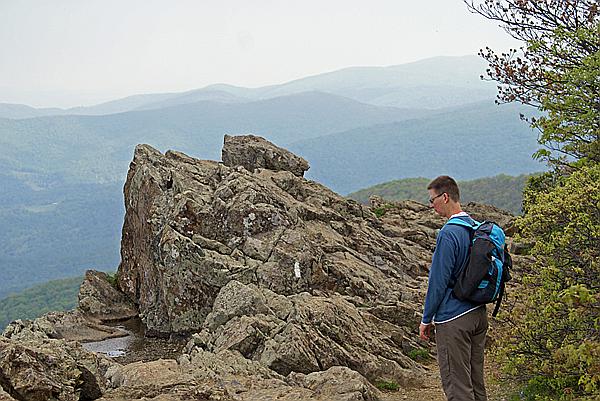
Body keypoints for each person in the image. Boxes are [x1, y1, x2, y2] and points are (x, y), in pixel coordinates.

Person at [419, 175, 488, 401]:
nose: (431, 205)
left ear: (445, 197)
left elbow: (438, 281)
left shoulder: (449, 233)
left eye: (432, 200)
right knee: (476, 385)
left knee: (458, 388)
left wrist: (427, 318)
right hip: (478, 314)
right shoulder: (475, 227)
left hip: (453, 318)